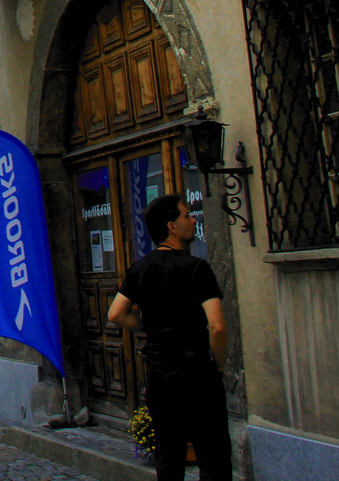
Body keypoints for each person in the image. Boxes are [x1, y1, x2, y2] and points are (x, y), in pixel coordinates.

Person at [107, 194, 231, 481]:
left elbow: (115, 313)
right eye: (187, 216)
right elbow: (217, 327)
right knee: (212, 456)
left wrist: (146, 326)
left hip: (161, 374)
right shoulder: (196, 268)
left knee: (168, 456)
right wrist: (220, 364)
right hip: (197, 370)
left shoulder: (141, 268)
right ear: (172, 227)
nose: (193, 219)